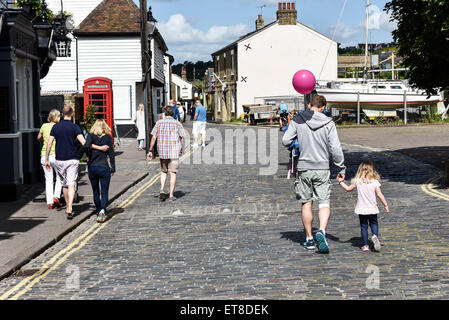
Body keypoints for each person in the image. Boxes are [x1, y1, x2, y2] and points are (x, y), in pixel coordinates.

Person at [282, 95, 346, 254]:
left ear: (310, 105)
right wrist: (341, 168)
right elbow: (336, 149)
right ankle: (322, 231)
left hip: (304, 167)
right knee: (324, 202)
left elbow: (285, 141)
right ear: (323, 107)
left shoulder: (298, 120)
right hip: (323, 168)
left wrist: (297, 140)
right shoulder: (328, 122)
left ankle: (309, 239)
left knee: (306, 203)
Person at [45, 106, 106, 219]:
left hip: (59, 159)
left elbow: (49, 144)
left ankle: (68, 206)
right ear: (71, 114)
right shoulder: (75, 127)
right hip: (72, 159)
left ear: (62, 114)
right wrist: (99, 148)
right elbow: (84, 143)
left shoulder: (55, 127)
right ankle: (69, 207)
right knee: (71, 183)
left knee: (64, 184)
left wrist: (47, 159)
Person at [338, 161, 389, 252]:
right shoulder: (375, 182)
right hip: (372, 208)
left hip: (362, 209)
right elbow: (379, 195)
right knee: (374, 224)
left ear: (360, 171)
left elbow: (348, 189)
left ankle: (365, 245)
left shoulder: (358, 182)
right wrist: (385, 205)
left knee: (364, 226)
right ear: (372, 170)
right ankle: (374, 236)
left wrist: (341, 182)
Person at [78, 119, 115, 223]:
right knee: (104, 192)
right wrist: (113, 167)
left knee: (95, 192)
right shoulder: (108, 137)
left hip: (92, 168)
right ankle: (103, 210)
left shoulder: (90, 136)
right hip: (104, 168)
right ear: (104, 126)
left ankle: (98, 210)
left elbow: (86, 146)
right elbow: (111, 154)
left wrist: (77, 156)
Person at [147, 105, 185, 202]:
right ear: (173, 114)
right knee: (173, 173)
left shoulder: (159, 123)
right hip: (174, 152)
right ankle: (171, 195)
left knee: (164, 171)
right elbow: (181, 137)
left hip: (163, 152)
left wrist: (150, 150)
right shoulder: (177, 123)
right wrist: (182, 149)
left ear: (164, 113)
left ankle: (162, 190)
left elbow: (154, 137)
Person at [37, 109, 62, 209]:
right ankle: (56, 196)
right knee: (60, 177)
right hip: (57, 155)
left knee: (49, 179)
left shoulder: (44, 126)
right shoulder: (58, 127)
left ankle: (50, 201)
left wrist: (43, 140)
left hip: (45, 155)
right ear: (56, 117)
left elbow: (38, 137)